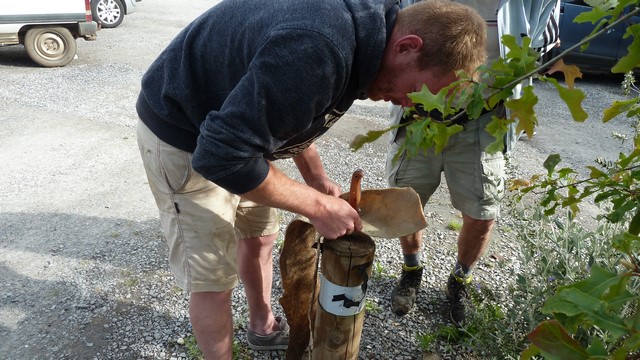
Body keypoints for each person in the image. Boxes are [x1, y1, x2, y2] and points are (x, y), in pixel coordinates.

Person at [135, 0, 487, 358]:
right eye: (417, 91)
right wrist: (318, 206)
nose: (411, 105)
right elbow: (220, 155)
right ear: (408, 47)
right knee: (214, 279)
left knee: (260, 236)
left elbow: (292, 109)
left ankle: (261, 325)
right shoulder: (319, 48)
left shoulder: (366, 44)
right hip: (184, 132)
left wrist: (315, 177)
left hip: (238, 137)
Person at [387, 0, 560, 326]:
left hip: (483, 119)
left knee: (482, 212)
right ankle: (411, 269)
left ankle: (460, 281)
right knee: (403, 203)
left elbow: (543, 51)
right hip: (417, 116)